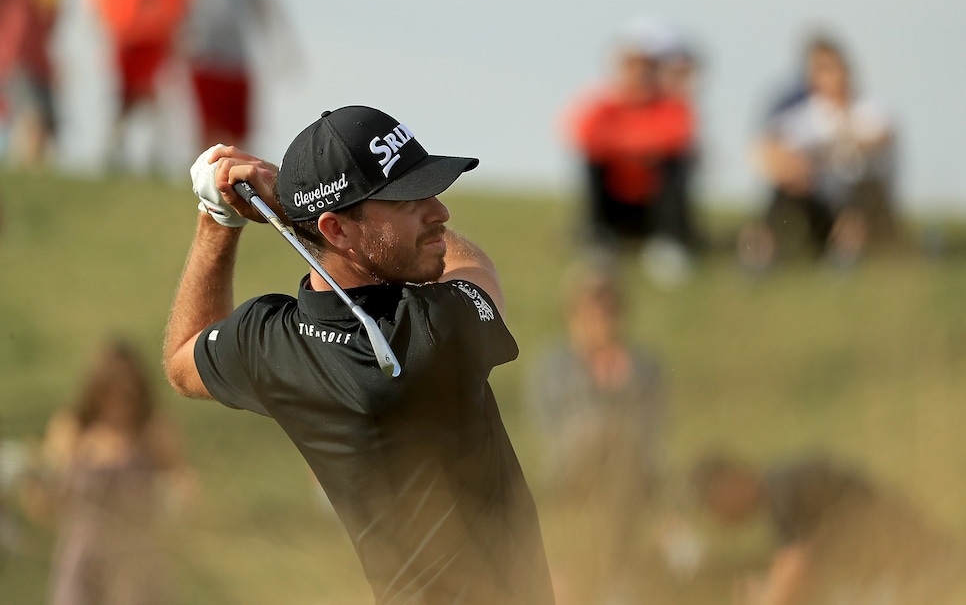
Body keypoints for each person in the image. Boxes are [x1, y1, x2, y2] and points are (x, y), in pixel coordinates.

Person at [162, 106, 556, 604]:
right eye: (408, 198)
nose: (439, 211)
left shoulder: (270, 341)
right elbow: (476, 268)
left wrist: (217, 221)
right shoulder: (432, 331)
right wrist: (289, 204)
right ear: (338, 231)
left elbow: (181, 357)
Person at [526, 259, 667, 602]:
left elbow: (653, 434)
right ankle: (608, 574)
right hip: (572, 475)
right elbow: (554, 433)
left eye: (610, 306)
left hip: (632, 478)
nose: (602, 316)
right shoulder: (553, 367)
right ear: (574, 312)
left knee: (622, 462)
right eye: (593, 306)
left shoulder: (644, 367)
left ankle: (612, 573)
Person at [34, 338, 190, 605]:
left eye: (128, 392)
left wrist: (179, 500)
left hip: (136, 558)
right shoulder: (72, 429)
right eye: (111, 390)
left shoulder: (151, 430)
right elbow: (46, 500)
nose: (119, 398)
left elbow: (180, 479)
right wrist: (39, 486)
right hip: (84, 557)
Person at [690, 453, 961, 605]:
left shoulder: (781, 492)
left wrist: (765, 599)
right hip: (913, 571)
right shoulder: (783, 487)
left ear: (732, 483)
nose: (721, 519)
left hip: (922, 571)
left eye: (715, 505)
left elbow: (795, 570)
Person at [739, 33, 899, 270]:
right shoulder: (808, 114)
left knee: (859, 193)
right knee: (787, 185)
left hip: (861, 196)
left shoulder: (867, 107)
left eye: (831, 68)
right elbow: (767, 149)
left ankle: (845, 254)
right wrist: (795, 168)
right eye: (819, 70)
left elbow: (882, 137)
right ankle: (760, 252)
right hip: (819, 199)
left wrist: (832, 146)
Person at [563, 17, 697, 285]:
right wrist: (639, 147)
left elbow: (678, 139)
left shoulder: (671, 103)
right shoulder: (603, 104)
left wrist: (623, 145)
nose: (639, 74)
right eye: (632, 66)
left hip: (654, 203)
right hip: (616, 200)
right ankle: (598, 237)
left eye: (646, 67)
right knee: (593, 163)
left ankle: (669, 242)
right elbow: (582, 135)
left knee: (675, 165)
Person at [83, 0, 191, 172]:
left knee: (146, 100)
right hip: (129, 40)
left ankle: (150, 154)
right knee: (131, 100)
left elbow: (178, 3)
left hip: (152, 41)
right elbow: (97, 2)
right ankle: (122, 153)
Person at [183, 0, 293, 150]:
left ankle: (239, 176)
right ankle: (204, 176)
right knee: (208, 128)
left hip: (237, 58)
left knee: (238, 132)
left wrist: (283, 47)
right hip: (204, 54)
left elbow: (262, 3)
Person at [0, 0, 61, 166]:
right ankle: (25, 167)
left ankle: (32, 170)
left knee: (49, 125)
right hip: (15, 59)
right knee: (33, 117)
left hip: (41, 63)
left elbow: (51, 21)